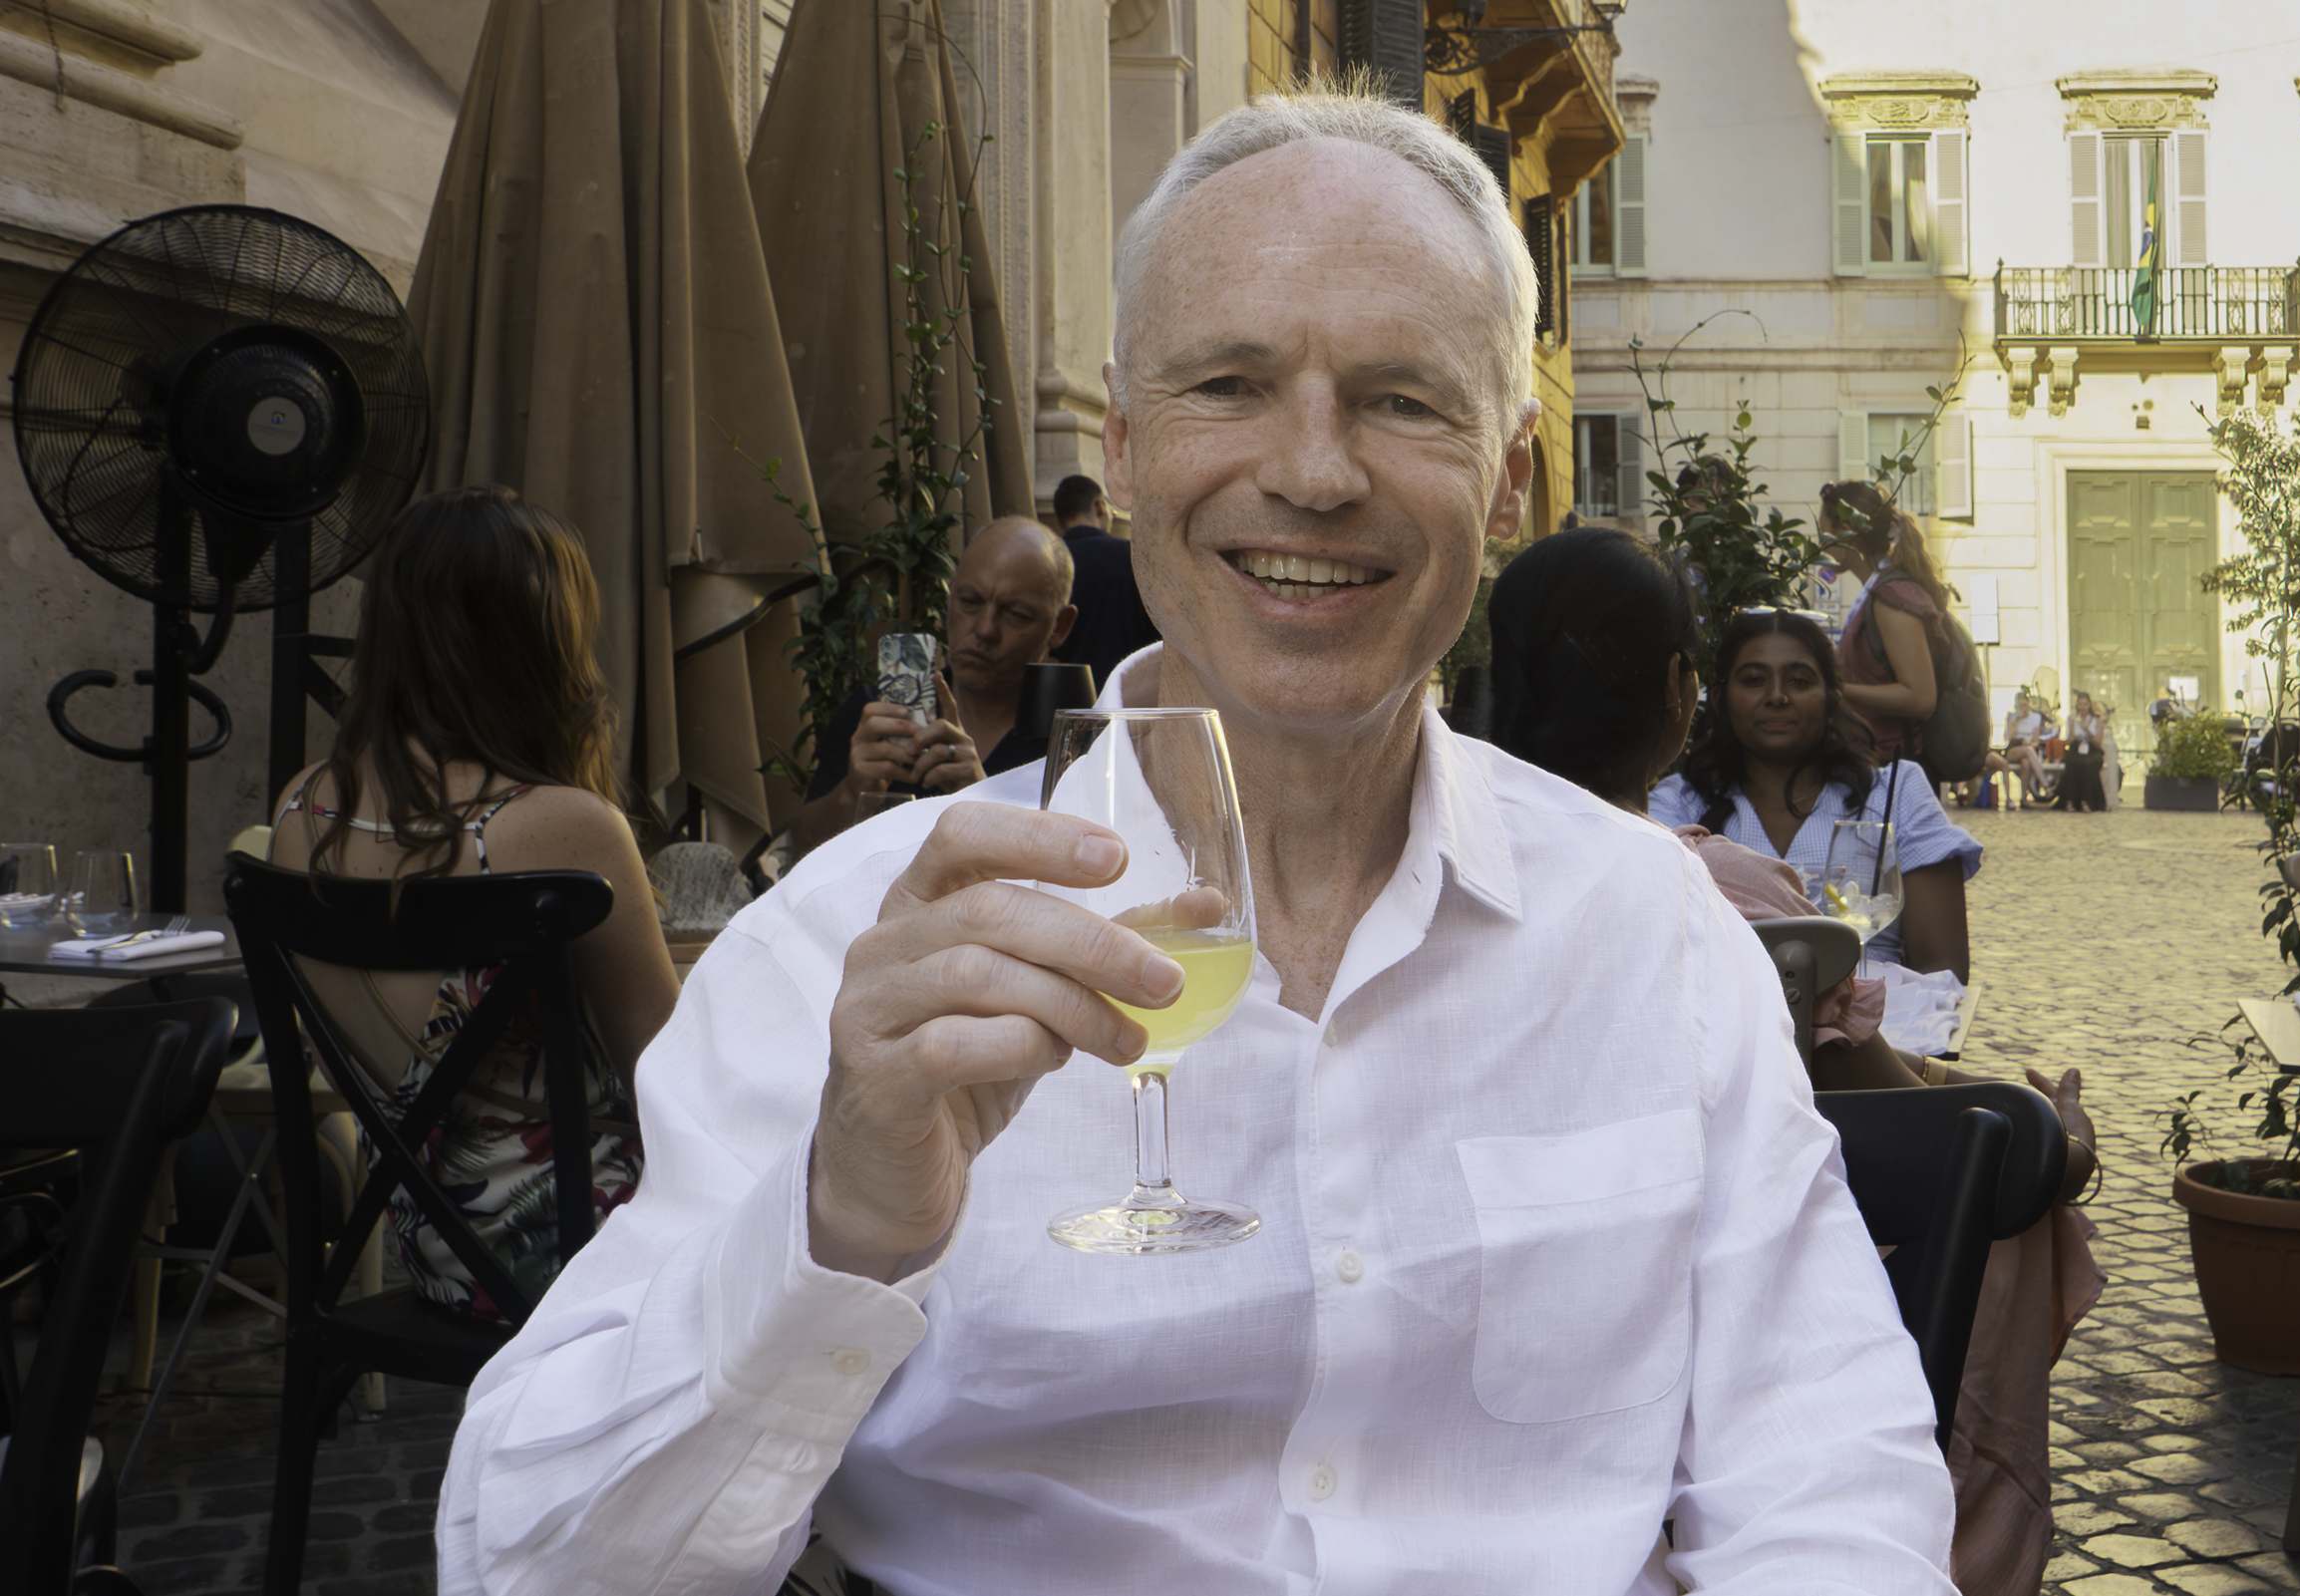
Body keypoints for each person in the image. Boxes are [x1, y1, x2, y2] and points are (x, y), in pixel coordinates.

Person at [439, 89, 1962, 1595]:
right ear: (1124, 439)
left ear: (1505, 480)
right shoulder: (854, 947)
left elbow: (1825, 1471)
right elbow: (530, 1563)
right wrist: (835, 1232)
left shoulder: (1649, 928)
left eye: (1404, 398)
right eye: (1227, 384)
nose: (1313, 469)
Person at [1488, 528, 2105, 1596]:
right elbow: (1872, 1093)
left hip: (1518, 1351)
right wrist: (2037, 1136)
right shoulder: (1698, 885)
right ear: (1687, 696)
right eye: (1748, 678)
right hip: (1742, 1264)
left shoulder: (1411, 893)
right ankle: (1974, 1520)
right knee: (2013, 1160)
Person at [265, 485, 676, 1319]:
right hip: (585, 1252)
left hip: (436, 1250)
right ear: (541, 641)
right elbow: (674, 1074)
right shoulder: (564, 825)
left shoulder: (299, 812)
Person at [1650, 608, 1981, 980]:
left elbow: (1943, 972)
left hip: (1880, 1031)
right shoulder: (1677, 805)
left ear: (1832, 697)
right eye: (1755, 679)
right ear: (1723, 697)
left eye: (1800, 680)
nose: (1777, 696)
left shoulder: (1895, 794)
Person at [788, 517, 1077, 857]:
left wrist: (980, 798)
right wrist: (852, 794)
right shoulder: (876, 716)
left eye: (1015, 614)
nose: (984, 629)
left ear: (1059, 627)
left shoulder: (1075, 741)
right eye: (970, 601)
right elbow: (801, 853)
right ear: (950, 595)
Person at [1820, 479, 1950, 764]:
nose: (1821, 544)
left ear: (1847, 532)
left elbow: (1920, 698)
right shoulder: (1880, 590)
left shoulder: (1892, 596)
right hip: (1876, 763)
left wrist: (1835, 689)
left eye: (1824, 533)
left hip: (1895, 772)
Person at [1047, 472, 1159, 690]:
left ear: (1060, 522)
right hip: (1127, 695)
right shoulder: (1133, 556)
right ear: (1099, 506)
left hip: (1065, 698)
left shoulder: (1046, 563)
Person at [2055, 691, 2108, 813]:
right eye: (2080, 704)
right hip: (2076, 748)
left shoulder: (2097, 720)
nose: (2083, 707)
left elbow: (2098, 743)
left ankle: (2087, 801)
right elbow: (2069, 739)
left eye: (2085, 704)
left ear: (2089, 705)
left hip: (2092, 749)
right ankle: (2071, 801)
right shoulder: (2073, 719)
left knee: (2088, 765)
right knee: (2073, 763)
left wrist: (2087, 730)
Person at [2000, 690, 2051, 805]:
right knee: (2028, 751)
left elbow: (2036, 741)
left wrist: (2030, 744)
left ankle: (2023, 798)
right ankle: (2045, 784)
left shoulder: (2035, 718)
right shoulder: (2011, 717)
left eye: (2025, 705)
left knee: (2026, 764)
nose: (2023, 708)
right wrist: (2017, 720)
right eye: (2020, 705)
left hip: (2029, 747)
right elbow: (2008, 737)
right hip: (2014, 748)